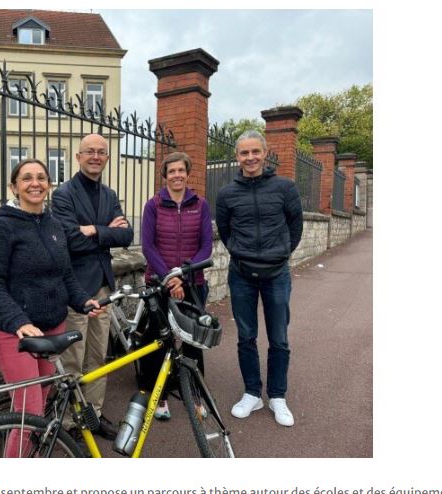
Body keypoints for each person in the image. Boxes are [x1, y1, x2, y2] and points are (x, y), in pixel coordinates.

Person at [0, 159, 102, 456]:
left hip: (53, 328)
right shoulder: (4, 227)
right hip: (17, 335)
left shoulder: (53, 224)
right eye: (26, 178)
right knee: (28, 413)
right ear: (14, 187)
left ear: (48, 185)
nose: (35, 183)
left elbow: (65, 275)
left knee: (41, 400)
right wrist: (18, 320)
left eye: (41, 178)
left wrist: (83, 300)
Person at [215, 130, 303, 427]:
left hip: (277, 274)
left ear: (264, 153)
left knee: (279, 338)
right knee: (246, 336)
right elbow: (226, 233)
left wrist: (280, 254)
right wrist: (242, 253)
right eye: (244, 153)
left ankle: (278, 396)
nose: (250, 158)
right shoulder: (227, 194)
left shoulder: (285, 188)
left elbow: (295, 227)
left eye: (255, 152)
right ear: (237, 157)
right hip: (241, 275)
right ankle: (252, 392)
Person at [51, 133, 133, 439]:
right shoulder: (64, 194)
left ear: (107, 158)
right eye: (90, 152)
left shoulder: (110, 195)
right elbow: (69, 239)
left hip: (103, 287)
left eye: (101, 152)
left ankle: (94, 415)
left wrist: (92, 230)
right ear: (78, 156)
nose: (96, 156)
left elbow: (126, 236)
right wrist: (105, 231)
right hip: (76, 288)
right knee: (73, 357)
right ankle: (72, 422)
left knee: (98, 357)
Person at [138, 151, 213, 420]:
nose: (177, 175)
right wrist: (170, 278)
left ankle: (195, 394)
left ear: (187, 173)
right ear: (165, 175)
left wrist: (183, 275)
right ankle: (157, 397)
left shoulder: (200, 204)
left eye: (181, 170)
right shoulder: (153, 205)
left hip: (193, 283)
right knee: (157, 341)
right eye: (172, 171)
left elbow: (206, 245)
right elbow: (148, 246)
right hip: (159, 283)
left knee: (193, 342)